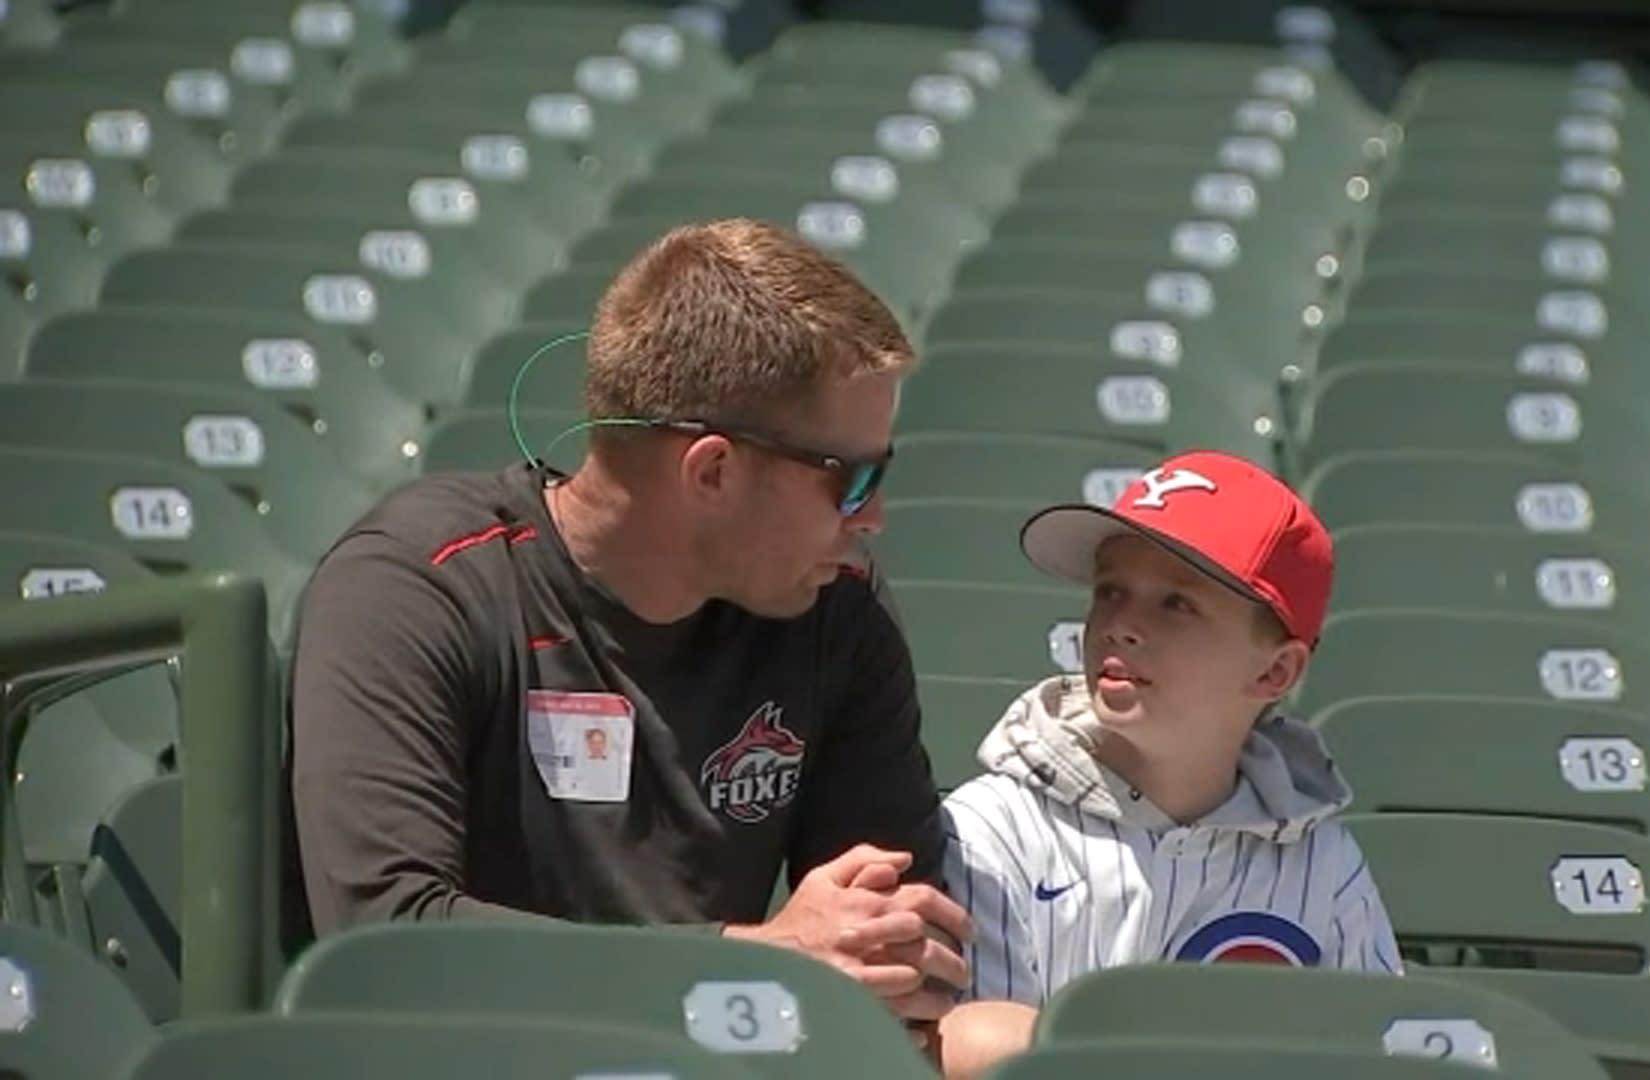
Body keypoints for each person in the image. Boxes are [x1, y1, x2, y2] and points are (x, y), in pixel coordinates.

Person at [281, 219, 970, 1034]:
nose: (877, 517)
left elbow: (903, 947)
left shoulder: (834, 609)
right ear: (712, 470)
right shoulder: (416, 585)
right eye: (855, 480)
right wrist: (746, 962)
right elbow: (385, 944)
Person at [928, 450, 1402, 1078]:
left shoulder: (1324, 865)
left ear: (1275, 671)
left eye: (1176, 603)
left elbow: (1383, 1053)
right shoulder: (992, 830)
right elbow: (963, 1047)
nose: (1121, 624)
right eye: (1110, 591)